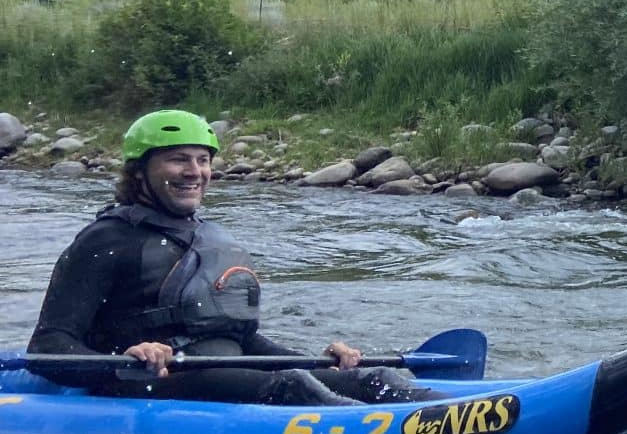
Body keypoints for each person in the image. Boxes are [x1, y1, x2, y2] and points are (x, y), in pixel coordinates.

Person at [28, 109, 443, 406]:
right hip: (143, 386)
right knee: (294, 387)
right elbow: (47, 347)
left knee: (373, 379)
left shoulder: (210, 237)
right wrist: (123, 360)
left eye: (203, 160)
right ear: (139, 171)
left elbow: (241, 341)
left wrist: (323, 363)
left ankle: (466, 418)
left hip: (225, 376)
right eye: (178, 159)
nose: (195, 171)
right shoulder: (105, 239)